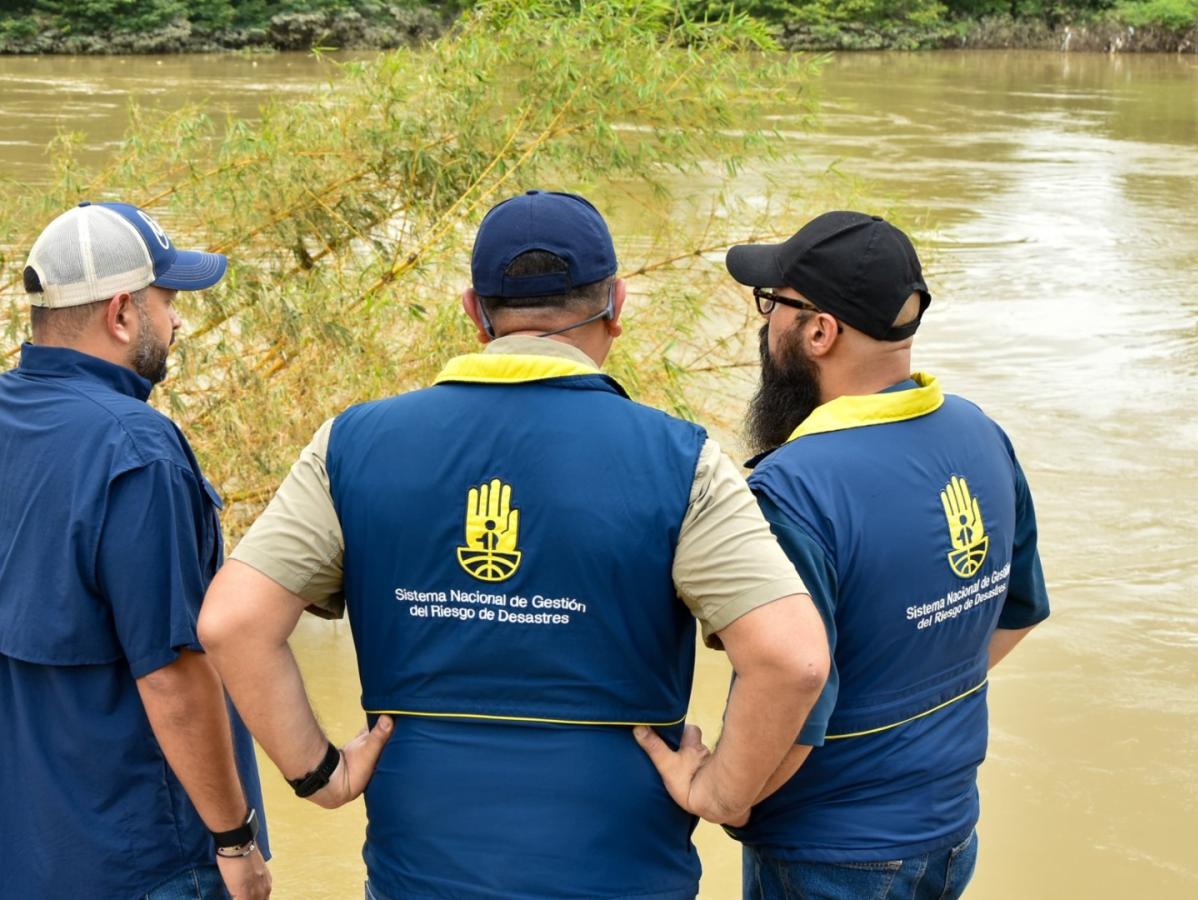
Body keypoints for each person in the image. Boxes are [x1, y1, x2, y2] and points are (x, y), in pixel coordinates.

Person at [198, 189, 831, 900]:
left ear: (475, 311)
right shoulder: (681, 460)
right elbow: (793, 659)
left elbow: (233, 623)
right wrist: (721, 793)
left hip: (420, 878)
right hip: (623, 877)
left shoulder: (349, 447)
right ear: (616, 304)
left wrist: (319, 774)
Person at [718, 211, 1051, 899]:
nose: (765, 324)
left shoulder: (792, 489)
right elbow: (1018, 613)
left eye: (773, 304)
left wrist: (724, 793)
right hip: (951, 831)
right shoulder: (980, 432)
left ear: (819, 332)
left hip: (830, 852)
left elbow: (792, 686)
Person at [0, 203, 271, 899]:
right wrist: (234, 839)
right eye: (167, 301)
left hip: (26, 850)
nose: (177, 322)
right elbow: (172, 676)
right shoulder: (136, 448)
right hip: (145, 858)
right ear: (122, 313)